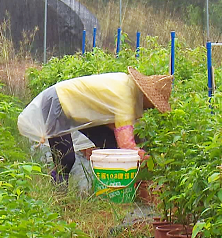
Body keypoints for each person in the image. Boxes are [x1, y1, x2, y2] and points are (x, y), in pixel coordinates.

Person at [17, 66, 173, 185]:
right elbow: (126, 144)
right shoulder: (126, 97)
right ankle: (58, 197)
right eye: (152, 104)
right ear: (145, 96)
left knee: (109, 144)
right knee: (65, 159)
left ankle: (110, 187)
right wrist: (148, 161)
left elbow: (116, 126)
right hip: (60, 103)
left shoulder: (127, 86)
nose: (151, 108)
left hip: (80, 109)